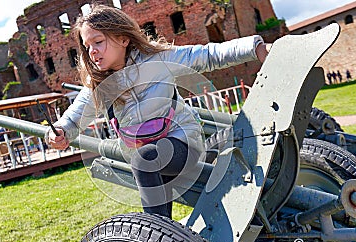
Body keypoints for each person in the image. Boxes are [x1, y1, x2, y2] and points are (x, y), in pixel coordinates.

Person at [45, 4, 270, 218]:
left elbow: (208, 56)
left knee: (145, 161)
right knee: (147, 160)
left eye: (98, 42)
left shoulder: (159, 59)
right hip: (149, 152)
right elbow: (73, 119)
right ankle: (166, 236)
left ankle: (160, 237)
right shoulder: (97, 84)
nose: (92, 52)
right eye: (87, 46)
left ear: (123, 38)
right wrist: (61, 132)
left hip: (183, 140)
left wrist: (256, 48)